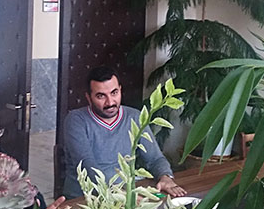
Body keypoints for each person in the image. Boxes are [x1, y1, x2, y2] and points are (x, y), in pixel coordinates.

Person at [62, 66, 187, 199]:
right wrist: (118, 195)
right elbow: (87, 165)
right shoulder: (76, 120)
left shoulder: (135, 117)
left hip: (127, 195)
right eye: (101, 96)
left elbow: (155, 158)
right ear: (88, 97)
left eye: (114, 93)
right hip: (85, 198)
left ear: (120, 90)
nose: (110, 102)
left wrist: (165, 177)